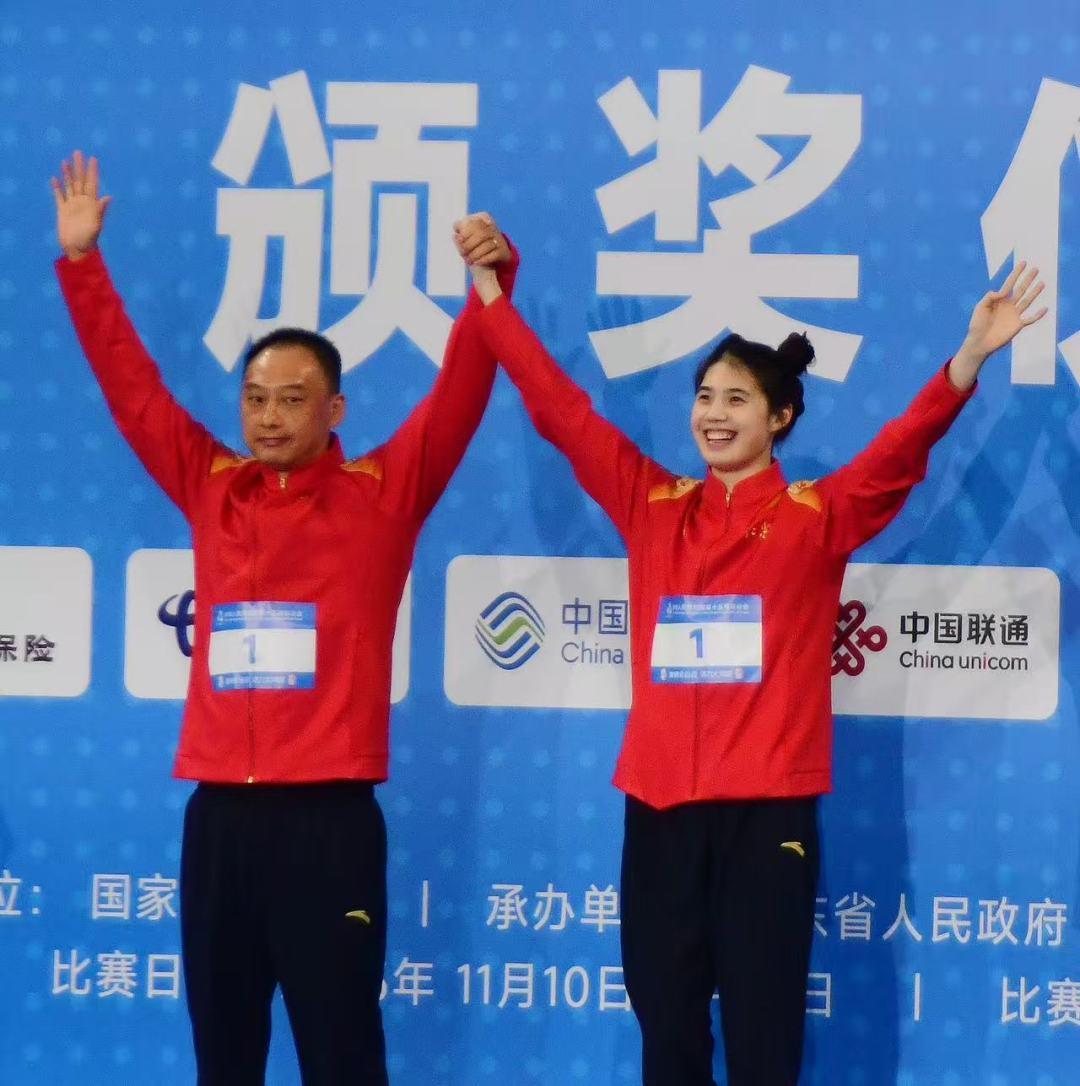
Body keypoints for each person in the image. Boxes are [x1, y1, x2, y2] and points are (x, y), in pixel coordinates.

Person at [462, 241, 1044, 1085]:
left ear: (780, 418)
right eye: (704, 396)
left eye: (737, 398)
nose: (714, 413)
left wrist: (967, 361)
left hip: (767, 822)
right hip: (659, 815)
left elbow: (903, 451)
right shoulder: (651, 503)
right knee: (667, 1035)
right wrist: (492, 300)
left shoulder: (818, 517)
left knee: (764, 1041)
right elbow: (560, 411)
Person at [53, 150, 516, 1086]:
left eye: (292, 400)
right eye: (255, 399)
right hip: (219, 820)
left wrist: (492, 283)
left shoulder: (382, 494)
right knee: (223, 1059)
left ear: (334, 408)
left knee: (342, 1056)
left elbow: (462, 392)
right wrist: (82, 263)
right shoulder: (211, 486)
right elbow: (134, 390)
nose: (268, 418)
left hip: (327, 824)